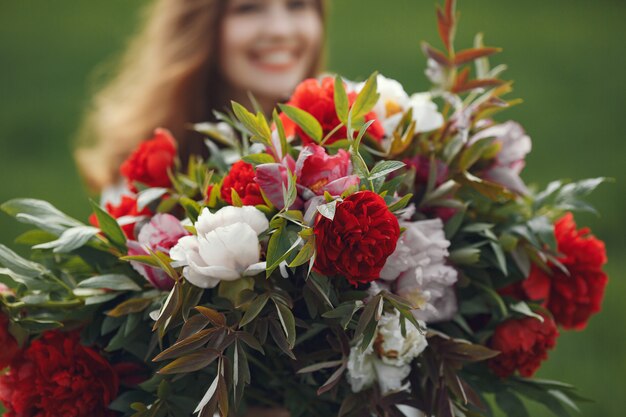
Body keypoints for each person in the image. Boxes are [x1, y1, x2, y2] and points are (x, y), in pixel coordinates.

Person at [75, 0, 326, 193]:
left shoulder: (356, 132)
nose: (280, 30)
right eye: (248, 8)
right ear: (197, 26)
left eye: (297, 4)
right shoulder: (146, 175)